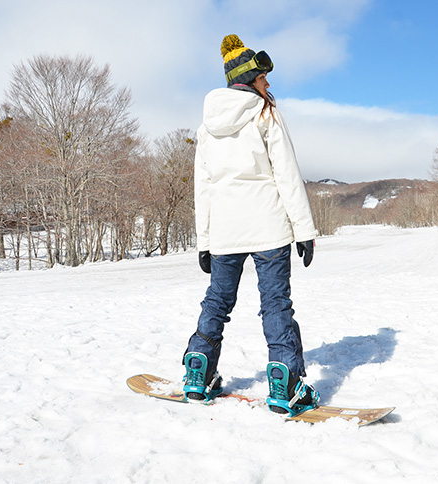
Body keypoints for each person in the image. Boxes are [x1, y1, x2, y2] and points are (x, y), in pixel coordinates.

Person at [182, 34, 320, 416]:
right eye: (263, 77)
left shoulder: (207, 127)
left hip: (225, 231)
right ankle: (286, 382)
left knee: (217, 301)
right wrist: (304, 231)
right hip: (268, 227)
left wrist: (204, 241)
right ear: (249, 78)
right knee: (275, 304)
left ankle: (198, 370)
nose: (268, 84)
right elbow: (287, 176)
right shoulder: (266, 114)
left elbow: (203, 188)